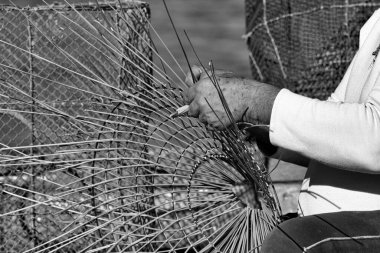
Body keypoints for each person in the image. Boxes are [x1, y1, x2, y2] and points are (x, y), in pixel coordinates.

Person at [183, 9, 380, 253]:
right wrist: (247, 117)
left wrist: (252, 98)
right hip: (324, 224)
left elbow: (374, 141)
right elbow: (336, 134)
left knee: (288, 240)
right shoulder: (377, 23)